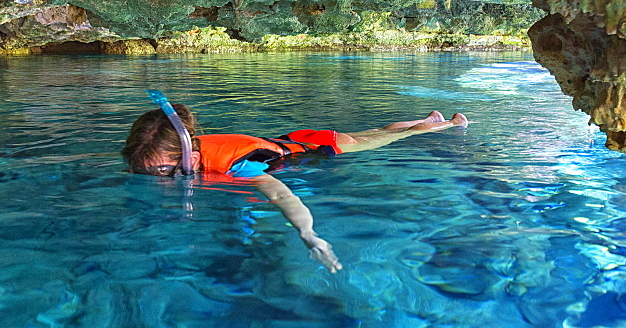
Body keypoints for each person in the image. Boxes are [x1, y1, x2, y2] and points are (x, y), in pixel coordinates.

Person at [123, 92, 469, 272]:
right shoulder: (189, 144)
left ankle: (450, 123)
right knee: (376, 133)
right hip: (298, 139)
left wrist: (308, 234)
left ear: (190, 159)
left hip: (320, 148)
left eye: (162, 172)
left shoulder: (236, 166)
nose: (157, 180)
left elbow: (282, 195)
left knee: (387, 139)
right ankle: (429, 118)